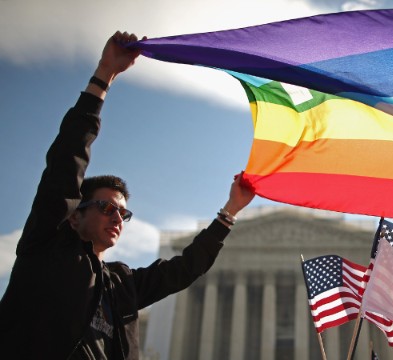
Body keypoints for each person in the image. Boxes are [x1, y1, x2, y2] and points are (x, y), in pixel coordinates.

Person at [0, 31, 255, 359]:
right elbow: (67, 157)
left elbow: (186, 268)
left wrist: (231, 209)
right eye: (106, 207)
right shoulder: (47, 249)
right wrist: (104, 75)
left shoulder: (122, 285)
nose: (117, 217)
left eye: (123, 212)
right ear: (75, 216)